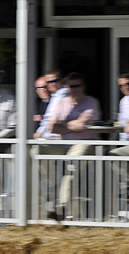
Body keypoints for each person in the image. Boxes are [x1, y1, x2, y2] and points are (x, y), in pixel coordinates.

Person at [39, 72, 101, 220]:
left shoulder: (92, 102)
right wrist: (69, 125)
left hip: (84, 143)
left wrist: (63, 125)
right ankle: (53, 183)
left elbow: (81, 126)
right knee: (34, 148)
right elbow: (51, 128)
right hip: (62, 144)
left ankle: (62, 208)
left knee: (72, 165)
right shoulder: (62, 102)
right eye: (70, 86)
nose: (74, 89)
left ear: (84, 86)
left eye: (77, 86)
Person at [33, 68, 66, 139]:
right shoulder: (32, 104)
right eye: (50, 82)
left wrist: (39, 133)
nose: (53, 84)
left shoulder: (63, 93)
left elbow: (50, 118)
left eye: (55, 81)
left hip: (59, 137)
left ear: (61, 81)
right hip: (46, 136)